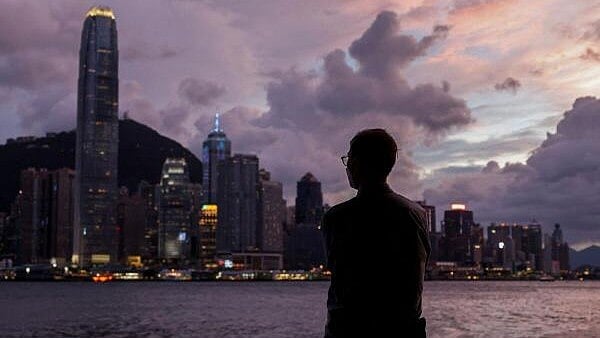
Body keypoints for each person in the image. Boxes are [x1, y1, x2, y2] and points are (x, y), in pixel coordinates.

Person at [322, 129, 431, 337]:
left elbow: (340, 273)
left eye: (348, 159)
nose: (347, 167)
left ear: (357, 163)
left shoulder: (336, 218)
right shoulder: (416, 214)